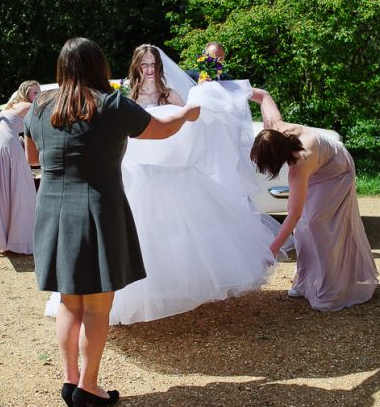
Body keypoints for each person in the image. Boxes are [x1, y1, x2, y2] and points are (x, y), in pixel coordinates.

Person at [45, 44, 283, 324]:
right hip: (136, 175)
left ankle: (181, 291)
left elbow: (189, 126)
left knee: (182, 236)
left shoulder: (170, 95)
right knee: (142, 238)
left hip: (172, 173)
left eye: (153, 65)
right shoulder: (125, 96)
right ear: (136, 67)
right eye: (143, 65)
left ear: (159, 67)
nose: (148, 70)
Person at [24, 38, 199, 407]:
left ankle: (70, 380)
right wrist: (186, 115)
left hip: (52, 211)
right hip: (98, 211)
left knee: (69, 303)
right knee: (96, 309)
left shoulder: (39, 106)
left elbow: (33, 157)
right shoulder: (112, 104)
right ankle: (88, 387)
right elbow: (160, 129)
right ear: (98, 66)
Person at [250, 124, 379, 311]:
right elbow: (266, 102)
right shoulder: (276, 130)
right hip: (318, 166)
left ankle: (330, 289)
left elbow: (294, 214)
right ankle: (303, 281)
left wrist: (272, 251)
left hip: (337, 170)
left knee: (318, 226)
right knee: (303, 228)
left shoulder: (299, 166)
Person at [0, 80, 40, 255]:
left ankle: (5, 241)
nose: (38, 96)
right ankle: (22, 242)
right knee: (23, 189)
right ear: (26, 93)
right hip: (8, 144)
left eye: (39, 92)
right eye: (35, 92)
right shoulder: (28, 106)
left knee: (6, 190)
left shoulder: (11, 104)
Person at [186, 41, 283, 130]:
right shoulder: (188, 77)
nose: (216, 62)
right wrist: (199, 87)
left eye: (220, 59)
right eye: (212, 58)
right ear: (204, 56)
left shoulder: (229, 80)